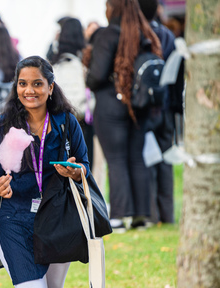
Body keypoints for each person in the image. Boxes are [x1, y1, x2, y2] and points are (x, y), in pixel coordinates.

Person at [0, 55, 90, 288]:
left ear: (50, 87)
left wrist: (76, 172)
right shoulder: (2, 127)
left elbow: (85, 167)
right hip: (15, 220)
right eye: (23, 83)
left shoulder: (67, 123)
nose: (29, 90)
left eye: (37, 83)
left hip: (56, 219)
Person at [85, 0, 162, 232]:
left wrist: (88, 74)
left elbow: (96, 76)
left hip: (111, 105)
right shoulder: (144, 33)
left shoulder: (107, 35)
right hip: (139, 105)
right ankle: (141, 216)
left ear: (114, 8)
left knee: (116, 159)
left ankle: (118, 216)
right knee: (137, 159)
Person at [138, 0, 182, 225]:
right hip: (165, 106)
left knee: (147, 161)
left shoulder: (136, 34)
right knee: (165, 161)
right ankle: (167, 214)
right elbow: (177, 74)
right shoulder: (168, 35)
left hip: (145, 108)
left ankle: (152, 215)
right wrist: (176, 106)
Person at [48, 18, 95, 167]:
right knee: (82, 167)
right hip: (82, 123)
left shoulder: (54, 63)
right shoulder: (83, 62)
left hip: (58, 123)